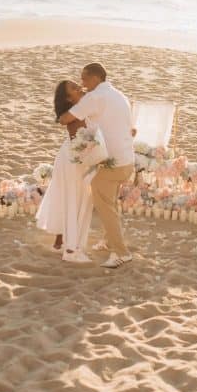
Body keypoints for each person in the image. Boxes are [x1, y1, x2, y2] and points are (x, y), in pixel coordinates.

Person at [59, 63, 135, 269]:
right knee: (110, 202)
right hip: (128, 161)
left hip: (113, 164)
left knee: (105, 207)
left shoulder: (95, 98)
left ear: (95, 78)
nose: (82, 84)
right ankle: (109, 241)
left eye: (84, 79)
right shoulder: (120, 96)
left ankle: (121, 253)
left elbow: (67, 118)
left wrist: (61, 114)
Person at [36, 80, 94, 264]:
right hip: (72, 158)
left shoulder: (81, 107)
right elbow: (65, 122)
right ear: (69, 98)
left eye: (77, 84)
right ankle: (70, 249)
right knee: (73, 198)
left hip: (71, 154)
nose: (79, 88)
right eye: (75, 89)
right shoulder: (73, 113)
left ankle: (60, 241)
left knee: (67, 196)